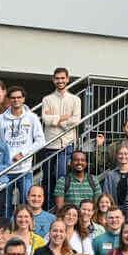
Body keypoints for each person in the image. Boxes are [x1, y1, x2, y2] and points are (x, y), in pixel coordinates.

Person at [0, 85, 46, 207]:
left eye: (19, 97)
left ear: (23, 99)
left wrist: (23, 154)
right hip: (5, 170)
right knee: (5, 205)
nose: (16, 100)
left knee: (27, 203)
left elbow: (41, 141)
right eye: (13, 98)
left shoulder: (32, 118)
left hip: (25, 169)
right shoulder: (0, 119)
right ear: (9, 100)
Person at [40, 67, 82, 198]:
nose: (60, 81)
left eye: (63, 78)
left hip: (66, 144)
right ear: (53, 80)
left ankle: (60, 206)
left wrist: (56, 118)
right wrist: (65, 118)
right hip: (49, 144)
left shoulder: (75, 99)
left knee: (61, 176)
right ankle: (48, 206)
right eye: (57, 78)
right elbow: (46, 120)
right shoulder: (47, 99)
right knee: (47, 179)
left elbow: (76, 121)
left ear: (68, 79)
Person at [103, 145, 128, 214]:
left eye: (126, 154)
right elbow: (106, 195)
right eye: (120, 154)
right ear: (116, 156)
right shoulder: (110, 175)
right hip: (114, 211)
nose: (123, 156)